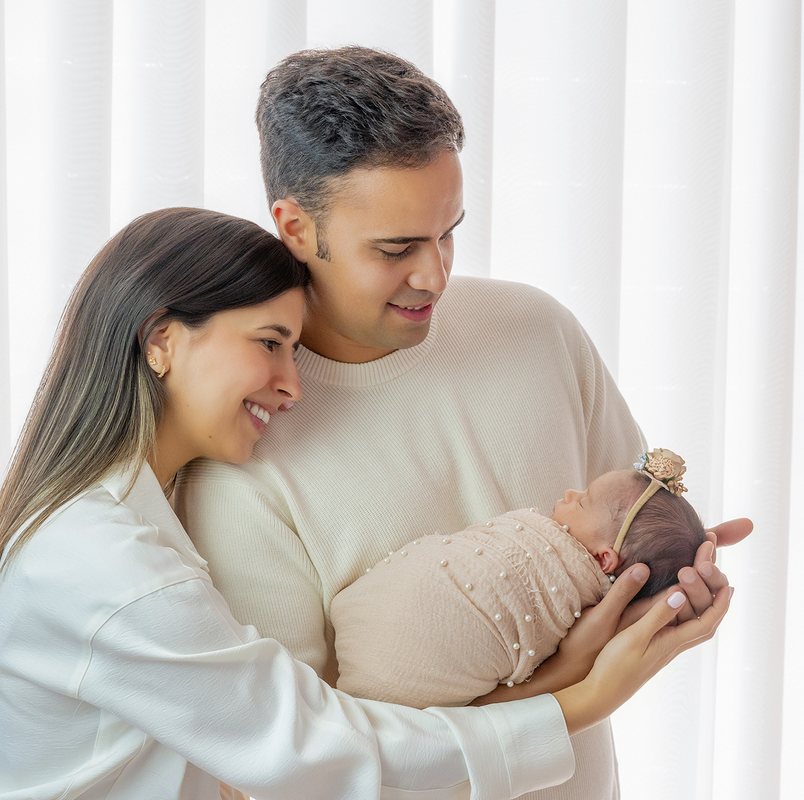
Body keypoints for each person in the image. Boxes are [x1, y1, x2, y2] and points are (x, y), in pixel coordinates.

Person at [0, 207, 725, 800]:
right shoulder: (110, 564)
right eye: (268, 343)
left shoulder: (126, 519)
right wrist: (583, 697)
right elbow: (311, 749)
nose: (292, 384)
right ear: (162, 341)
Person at [175, 47, 746, 800]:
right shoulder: (244, 451)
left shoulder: (537, 331)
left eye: (449, 232)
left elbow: (630, 547)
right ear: (295, 227)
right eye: (396, 248)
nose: (434, 274)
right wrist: (563, 689)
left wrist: (676, 590)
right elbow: (293, 771)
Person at [332, 448, 706, 708]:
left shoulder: (580, 596)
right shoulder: (551, 540)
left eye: (582, 501)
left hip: (391, 676)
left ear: (603, 558)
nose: (569, 493)